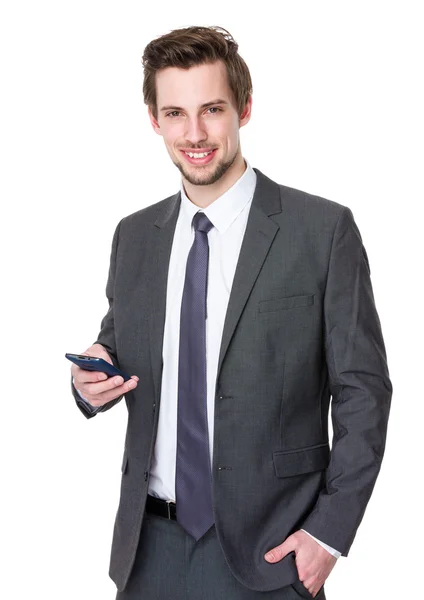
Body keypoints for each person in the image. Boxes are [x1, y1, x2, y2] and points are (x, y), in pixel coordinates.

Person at [70, 25, 392, 600]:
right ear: (154, 119)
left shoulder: (321, 232)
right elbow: (116, 339)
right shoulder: (134, 236)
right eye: (175, 113)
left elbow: (364, 391)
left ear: (244, 107)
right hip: (148, 552)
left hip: (272, 552)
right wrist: (91, 374)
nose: (194, 134)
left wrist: (329, 533)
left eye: (211, 109)